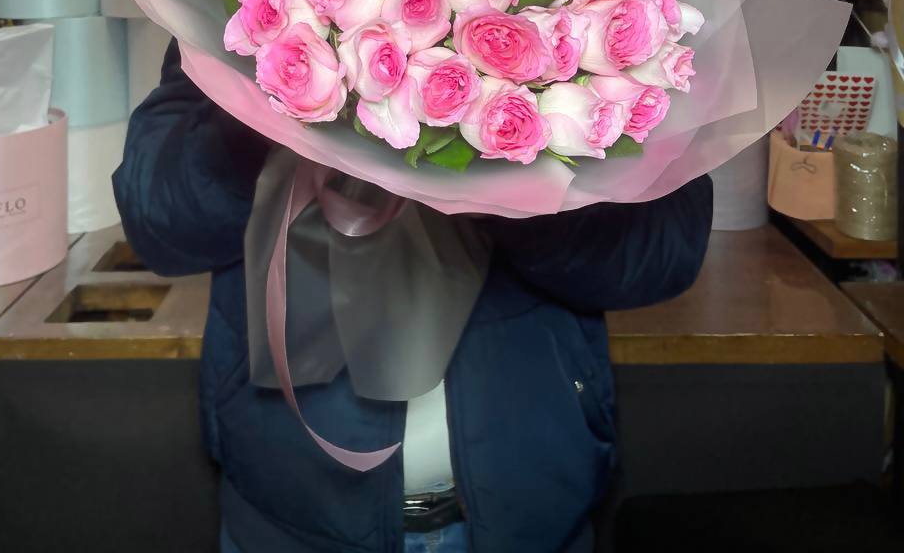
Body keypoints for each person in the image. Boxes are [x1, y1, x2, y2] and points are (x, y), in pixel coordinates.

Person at [114, 40, 713, 553]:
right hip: (289, 516)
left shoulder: (583, 12)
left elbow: (664, 252)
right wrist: (271, 97)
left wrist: (505, 160)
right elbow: (161, 223)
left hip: (530, 514)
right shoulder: (237, 24)